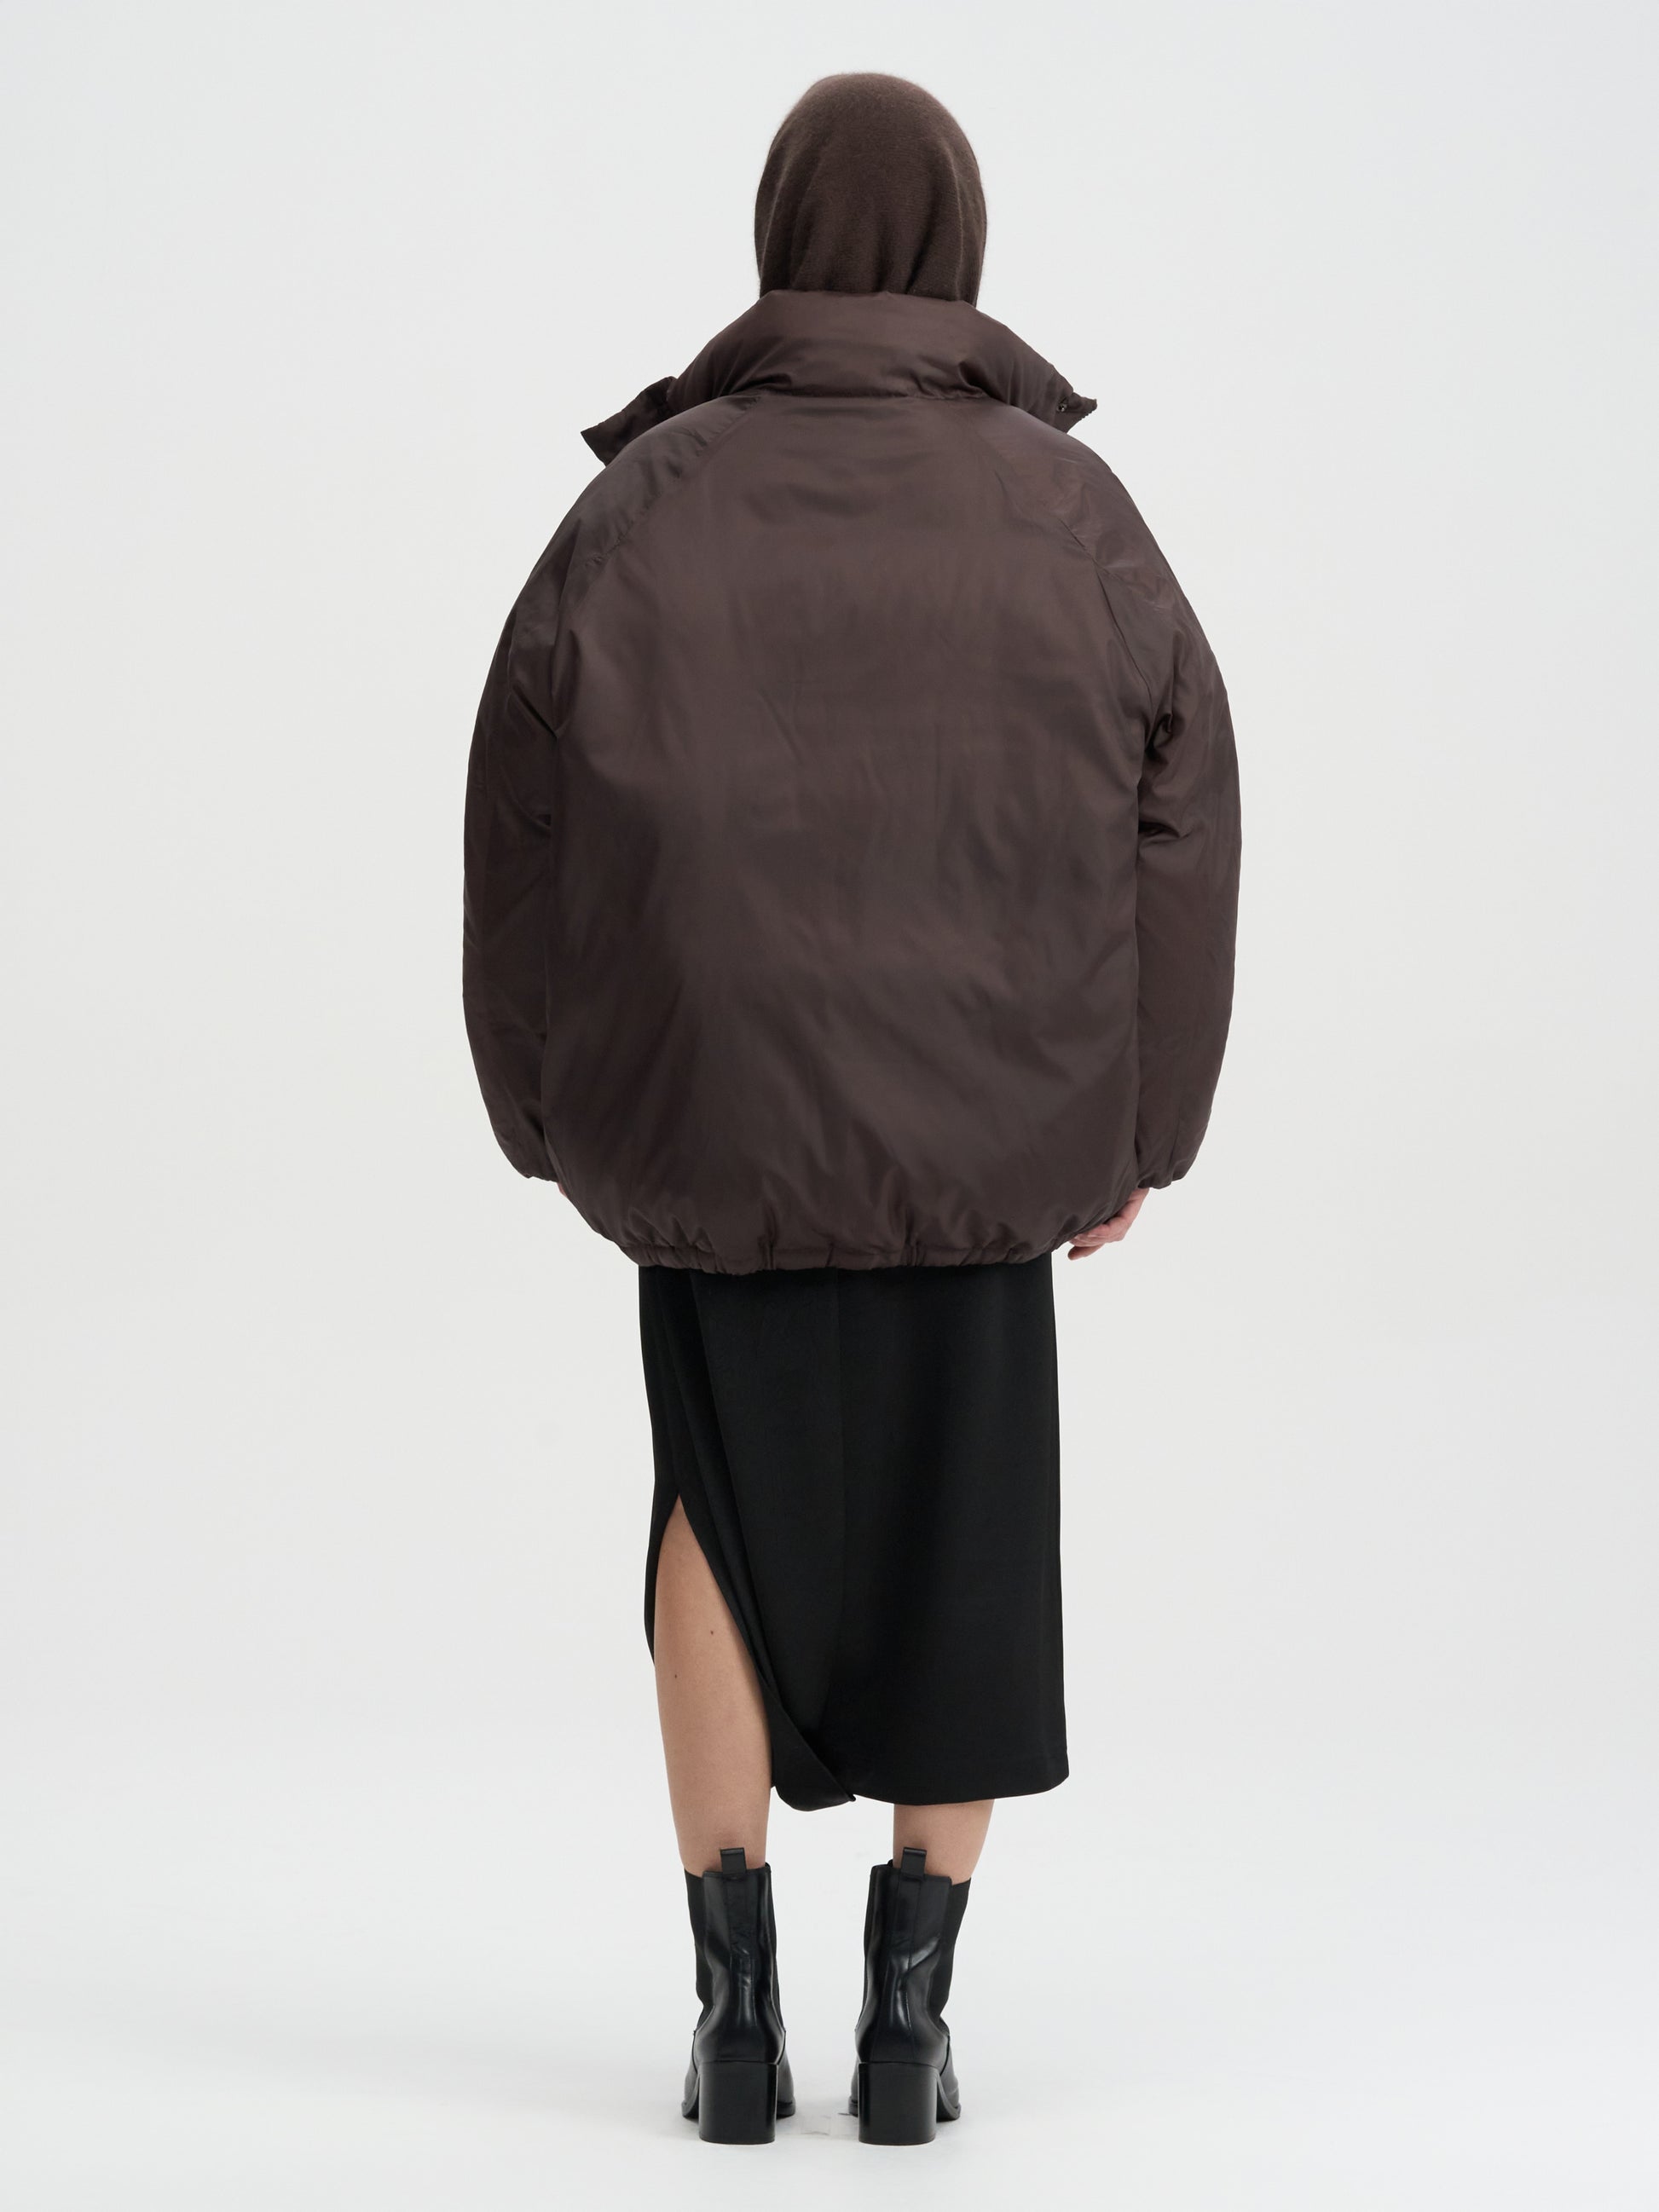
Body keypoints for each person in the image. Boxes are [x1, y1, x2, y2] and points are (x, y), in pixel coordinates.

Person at [462, 71, 1240, 2147]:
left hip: (710, 1115)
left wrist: (539, 1100)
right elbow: (1184, 811)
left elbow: (517, 815)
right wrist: (1145, 1120)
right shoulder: (1070, 512)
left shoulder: (644, 504)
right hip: (991, 1120)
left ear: (779, 236)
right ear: (958, 246)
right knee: (966, 1529)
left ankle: (733, 2022)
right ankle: (909, 2025)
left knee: (710, 1518)